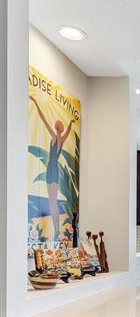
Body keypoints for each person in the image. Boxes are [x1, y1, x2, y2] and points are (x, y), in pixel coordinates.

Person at [30, 95, 75, 241]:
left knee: (53, 201)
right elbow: (66, 131)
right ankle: (56, 230)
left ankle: (56, 230)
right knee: (52, 201)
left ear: (56, 127)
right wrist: (70, 124)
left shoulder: (57, 139)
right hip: (51, 169)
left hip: (52, 169)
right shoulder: (59, 139)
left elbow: (43, 119)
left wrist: (37, 102)